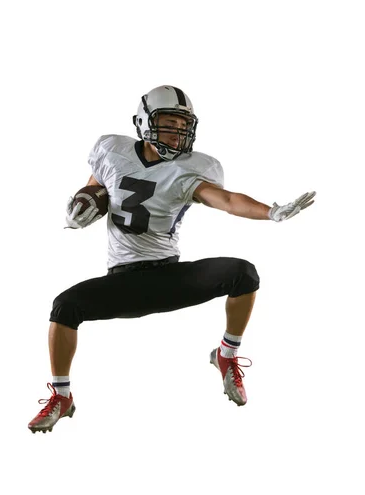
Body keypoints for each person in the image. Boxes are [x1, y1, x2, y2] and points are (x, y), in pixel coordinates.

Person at [28, 85, 315, 434]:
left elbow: (225, 199)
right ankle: (62, 397)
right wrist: (81, 208)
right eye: (168, 123)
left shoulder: (189, 169)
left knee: (243, 273)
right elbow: (95, 190)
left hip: (169, 275)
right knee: (63, 307)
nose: (177, 132)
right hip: (123, 280)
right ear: (143, 121)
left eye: (182, 125)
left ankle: (225, 353)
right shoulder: (111, 149)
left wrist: (269, 211)